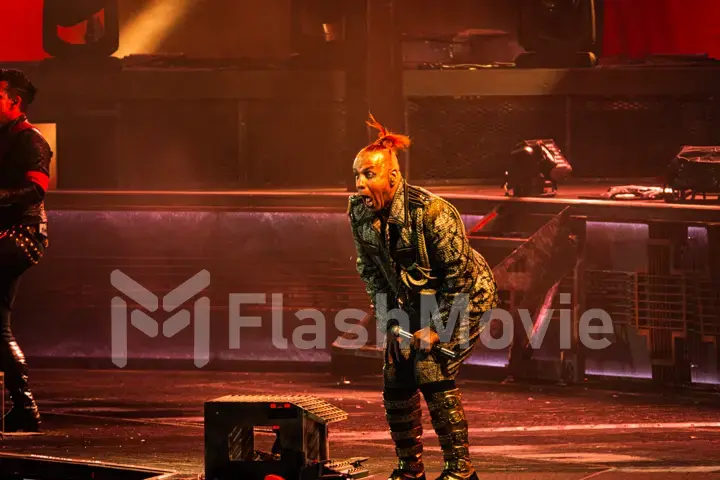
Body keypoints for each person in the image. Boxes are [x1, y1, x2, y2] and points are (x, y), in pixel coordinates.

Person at [348, 115, 497, 480]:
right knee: (396, 373)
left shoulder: (433, 213)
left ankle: (461, 472)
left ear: (393, 177)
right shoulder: (359, 214)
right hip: (414, 299)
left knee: (430, 367)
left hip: (463, 294)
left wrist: (438, 328)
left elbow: (458, 277)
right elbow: (370, 271)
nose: (360, 183)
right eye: (356, 175)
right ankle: (409, 469)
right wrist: (390, 323)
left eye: (369, 174)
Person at [0, 69, 52, 432]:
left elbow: (36, 191)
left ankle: (25, 405)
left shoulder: (30, 140)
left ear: (14, 101)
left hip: (21, 237)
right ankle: (24, 407)